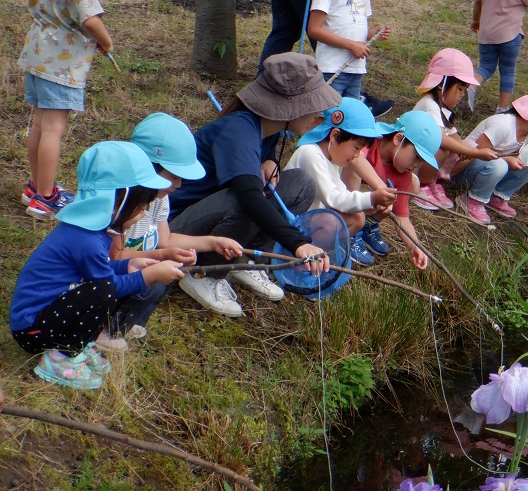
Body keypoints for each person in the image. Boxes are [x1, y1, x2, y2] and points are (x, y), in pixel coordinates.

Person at [168, 53, 335, 316]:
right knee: (245, 197)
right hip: (175, 230)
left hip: (211, 220)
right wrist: (298, 243)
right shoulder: (238, 129)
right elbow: (247, 194)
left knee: (300, 183)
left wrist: (269, 159)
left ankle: (247, 261)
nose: (319, 115)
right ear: (288, 106)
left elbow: (256, 161)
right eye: (314, 106)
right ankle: (202, 273)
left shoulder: (267, 128)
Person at [9, 141, 185, 390]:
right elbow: (108, 285)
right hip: (32, 330)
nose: (144, 213)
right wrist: (149, 275)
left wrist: (129, 265)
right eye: (141, 207)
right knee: (103, 292)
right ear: (118, 203)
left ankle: (74, 345)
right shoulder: (87, 240)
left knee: (101, 290)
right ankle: (59, 358)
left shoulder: (93, 231)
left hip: (46, 316)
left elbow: (102, 270)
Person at [96, 113, 245, 351]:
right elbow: (114, 259)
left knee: (167, 274)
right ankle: (106, 331)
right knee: (154, 280)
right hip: (111, 276)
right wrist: (158, 259)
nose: (179, 185)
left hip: (135, 267)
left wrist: (211, 242)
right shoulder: (123, 205)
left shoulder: (159, 199)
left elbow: (165, 239)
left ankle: (129, 321)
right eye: (174, 177)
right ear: (150, 168)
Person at [19, 0, 115, 220]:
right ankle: (45, 197)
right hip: (62, 61)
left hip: (36, 52)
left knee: (39, 122)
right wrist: (106, 41)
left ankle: (36, 185)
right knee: (54, 128)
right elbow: (88, 19)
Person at [286, 97, 397, 266]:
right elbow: (333, 199)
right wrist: (371, 198)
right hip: (291, 224)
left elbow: (342, 195)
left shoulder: (331, 158)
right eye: (356, 148)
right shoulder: (310, 153)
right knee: (338, 220)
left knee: (357, 218)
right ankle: (300, 262)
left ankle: (318, 254)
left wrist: (366, 205)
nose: (357, 155)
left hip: (308, 221)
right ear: (335, 135)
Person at [452, 91, 528, 224]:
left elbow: (515, 157)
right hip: (462, 170)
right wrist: (447, 176)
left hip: (487, 171)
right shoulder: (503, 125)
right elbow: (474, 154)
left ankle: (495, 197)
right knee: (500, 165)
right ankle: (472, 200)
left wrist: (526, 163)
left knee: (526, 169)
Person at [345, 111, 443, 270]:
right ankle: (348, 230)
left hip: (367, 203)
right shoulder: (371, 140)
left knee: (413, 184)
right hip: (339, 195)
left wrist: (415, 246)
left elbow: (402, 218)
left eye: (421, 162)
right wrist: (380, 189)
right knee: (354, 169)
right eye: (416, 157)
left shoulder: (403, 172)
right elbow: (356, 159)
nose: (416, 165)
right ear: (398, 139)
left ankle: (367, 225)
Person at [411, 48, 498, 210]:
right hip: (411, 159)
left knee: (469, 145)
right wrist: (477, 154)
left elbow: (453, 135)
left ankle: (434, 181)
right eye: (459, 89)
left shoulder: (442, 108)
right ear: (441, 84)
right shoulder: (430, 105)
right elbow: (442, 139)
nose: (461, 95)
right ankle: (421, 185)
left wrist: (467, 150)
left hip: (423, 157)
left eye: (464, 91)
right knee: (442, 149)